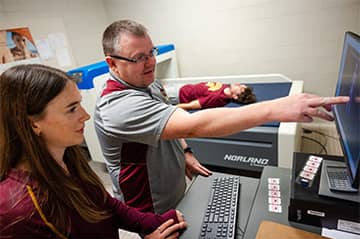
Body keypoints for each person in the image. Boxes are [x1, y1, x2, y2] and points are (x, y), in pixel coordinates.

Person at [95, 19, 349, 215]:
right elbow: (194, 123)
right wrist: (275, 108)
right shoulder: (117, 107)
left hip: (174, 189)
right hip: (150, 205)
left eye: (151, 52)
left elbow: (172, 117)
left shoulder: (146, 82)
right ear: (113, 63)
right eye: (139, 57)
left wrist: (184, 153)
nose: (150, 62)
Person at [0, 64, 186, 239]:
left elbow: (106, 205)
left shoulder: (67, 158)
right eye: (72, 109)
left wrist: (161, 223)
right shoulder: (19, 211)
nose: (85, 116)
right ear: (33, 123)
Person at [177, 81, 256, 110]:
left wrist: (172, 108)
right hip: (185, 87)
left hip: (179, 94)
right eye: (242, 85)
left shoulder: (217, 98)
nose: (239, 84)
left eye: (240, 88)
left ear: (235, 96)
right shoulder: (226, 87)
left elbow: (191, 105)